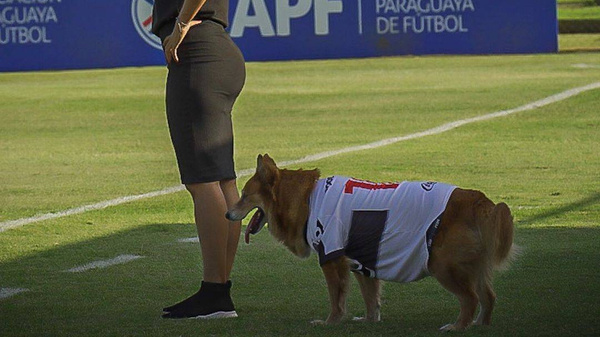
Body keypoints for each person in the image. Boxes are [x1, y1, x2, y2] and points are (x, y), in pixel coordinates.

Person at [151, 0, 245, 319]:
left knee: (203, 181)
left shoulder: (188, 31)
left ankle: (215, 293)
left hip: (198, 51)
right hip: (216, 51)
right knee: (222, 180)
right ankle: (219, 290)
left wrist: (179, 27)